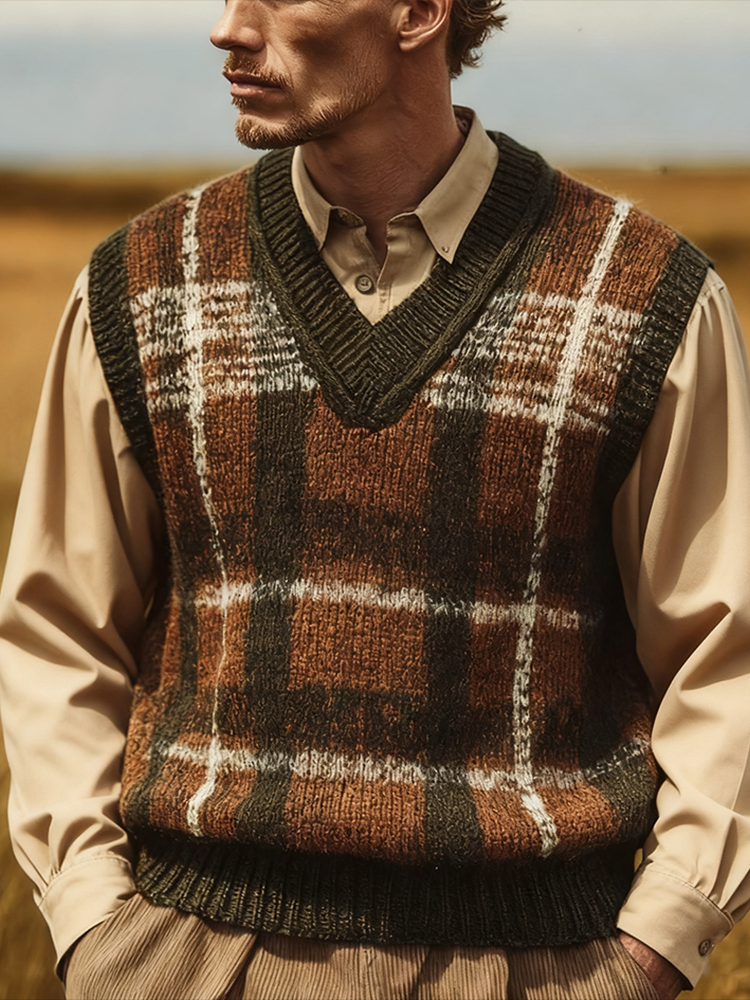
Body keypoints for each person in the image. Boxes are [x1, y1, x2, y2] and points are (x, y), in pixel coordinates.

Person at [1, 1, 749, 998]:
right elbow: (56, 632)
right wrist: (98, 929)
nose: (230, 27)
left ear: (419, 13)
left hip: (537, 966)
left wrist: (652, 950)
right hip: (197, 961)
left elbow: (728, 661)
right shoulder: (141, 286)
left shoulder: (645, 296)